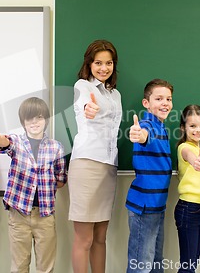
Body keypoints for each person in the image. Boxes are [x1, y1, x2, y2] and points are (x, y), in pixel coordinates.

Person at [0, 97, 67, 273]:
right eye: (29, 118)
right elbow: (6, 144)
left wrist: (45, 183)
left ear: (46, 119)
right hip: (19, 215)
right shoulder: (17, 142)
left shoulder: (56, 148)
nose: (34, 122)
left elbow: (60, 179)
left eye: (39, 117)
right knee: (19, 267)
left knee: (45, 268)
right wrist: (2, 141)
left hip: (45, 215)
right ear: (23, 121)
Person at [68, 39, 122, 273]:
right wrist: (90, 110)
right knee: (85, 239)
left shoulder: (115, 94)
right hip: (88, 164)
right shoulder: (83, 87)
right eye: (98, 63)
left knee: (101, 237)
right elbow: (84, 107)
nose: (103, 68)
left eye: (108, 63)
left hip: (109, 166)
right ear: (89, 64)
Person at [126, 78, 174, 273]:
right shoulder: (148, 124)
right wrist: (140, 135)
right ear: (146, 103)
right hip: (145, 206)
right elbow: (145, 135)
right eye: (159, 98)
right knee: (141, 263)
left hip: (157, 204)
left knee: (155, 261)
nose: (165, 103)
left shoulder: (161, 126)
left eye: (169, 99)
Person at [174, 105, 200, 273]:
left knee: (192, 266)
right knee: (188, 267)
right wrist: (194, 161)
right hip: (188, 210)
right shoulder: (185, 148)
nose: (198, 130)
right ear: (183, 128)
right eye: (192, 126)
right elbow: (188, 156)